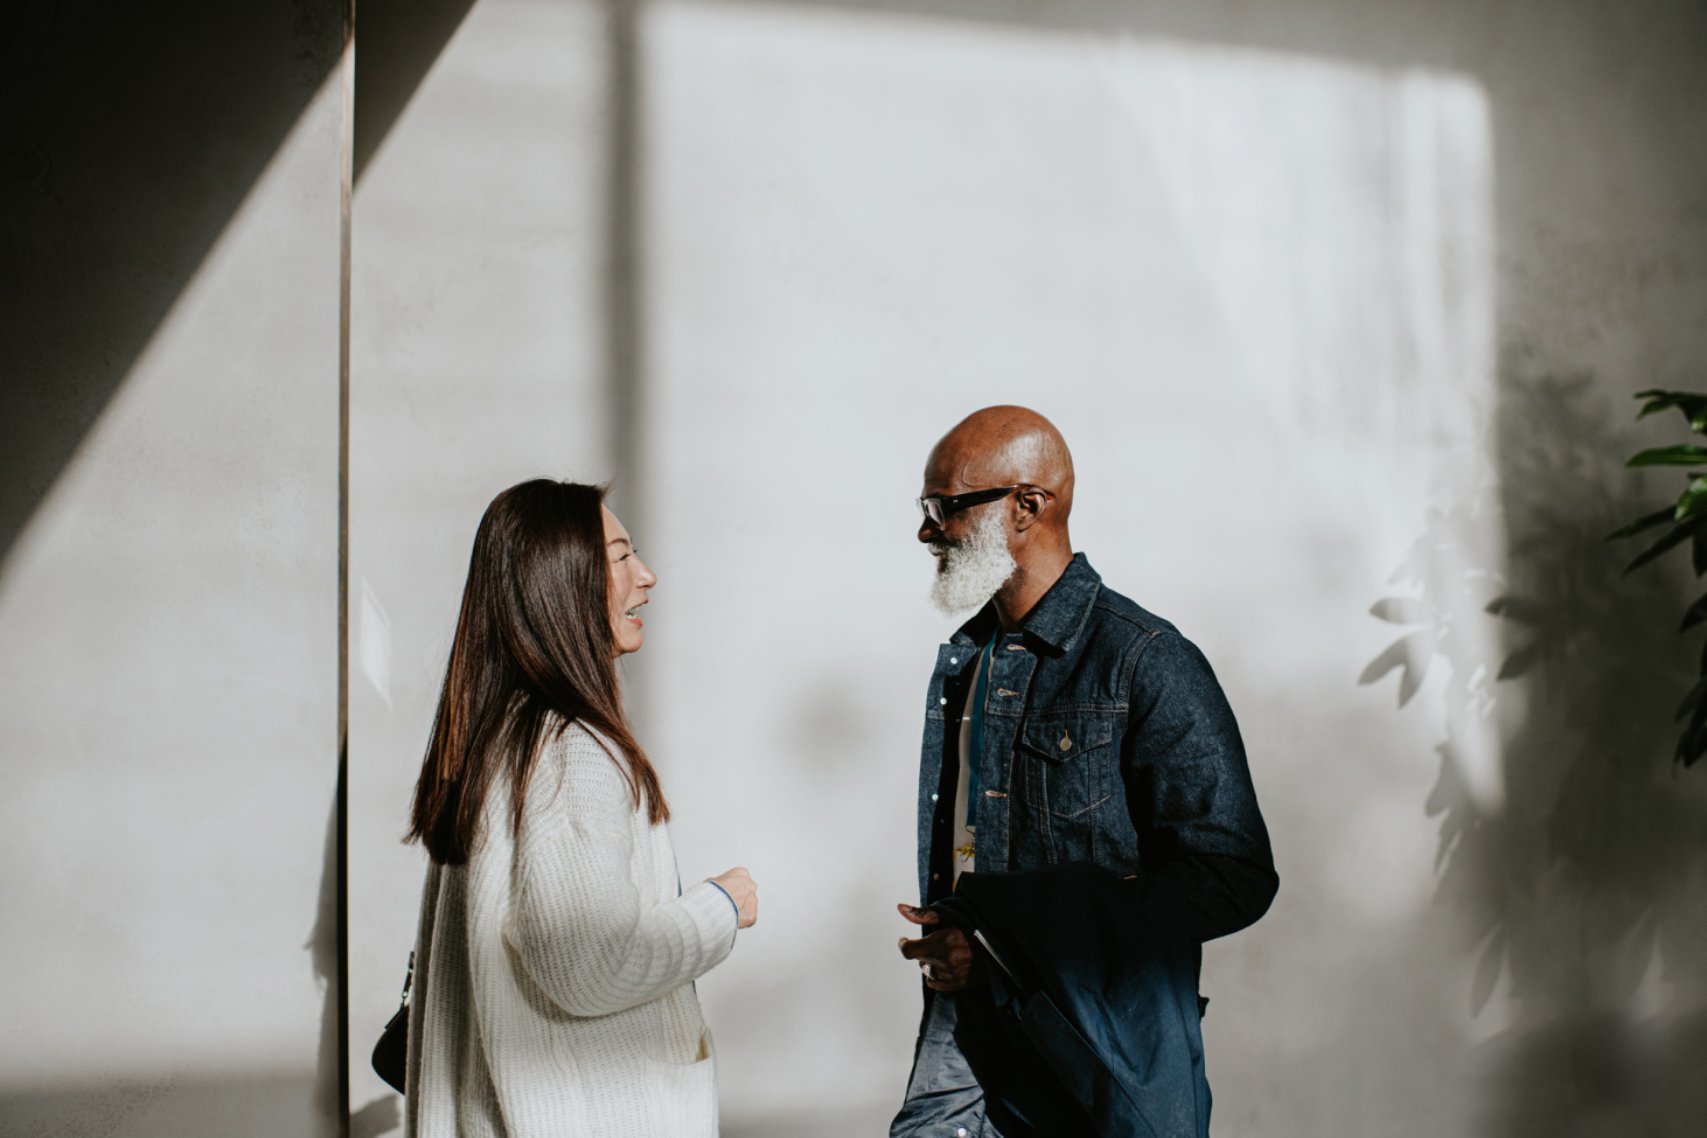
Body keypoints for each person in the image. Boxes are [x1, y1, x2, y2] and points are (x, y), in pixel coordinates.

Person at [891, 407, 1277, 1138]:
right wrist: (958, 938)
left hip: (1095, 1051)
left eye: (944, 506)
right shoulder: (966, 663)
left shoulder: (1145, 660)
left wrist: (1007, 938)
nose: (926, 530)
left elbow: (1232, 877)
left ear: (1026, 507)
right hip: (965, 1032)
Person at [403, 479, 757, 1138]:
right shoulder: (573, 751)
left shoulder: (500, 736)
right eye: (620, 557)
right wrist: (719, 907)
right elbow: (588, 965)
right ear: (559, 582)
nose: (646, 577)